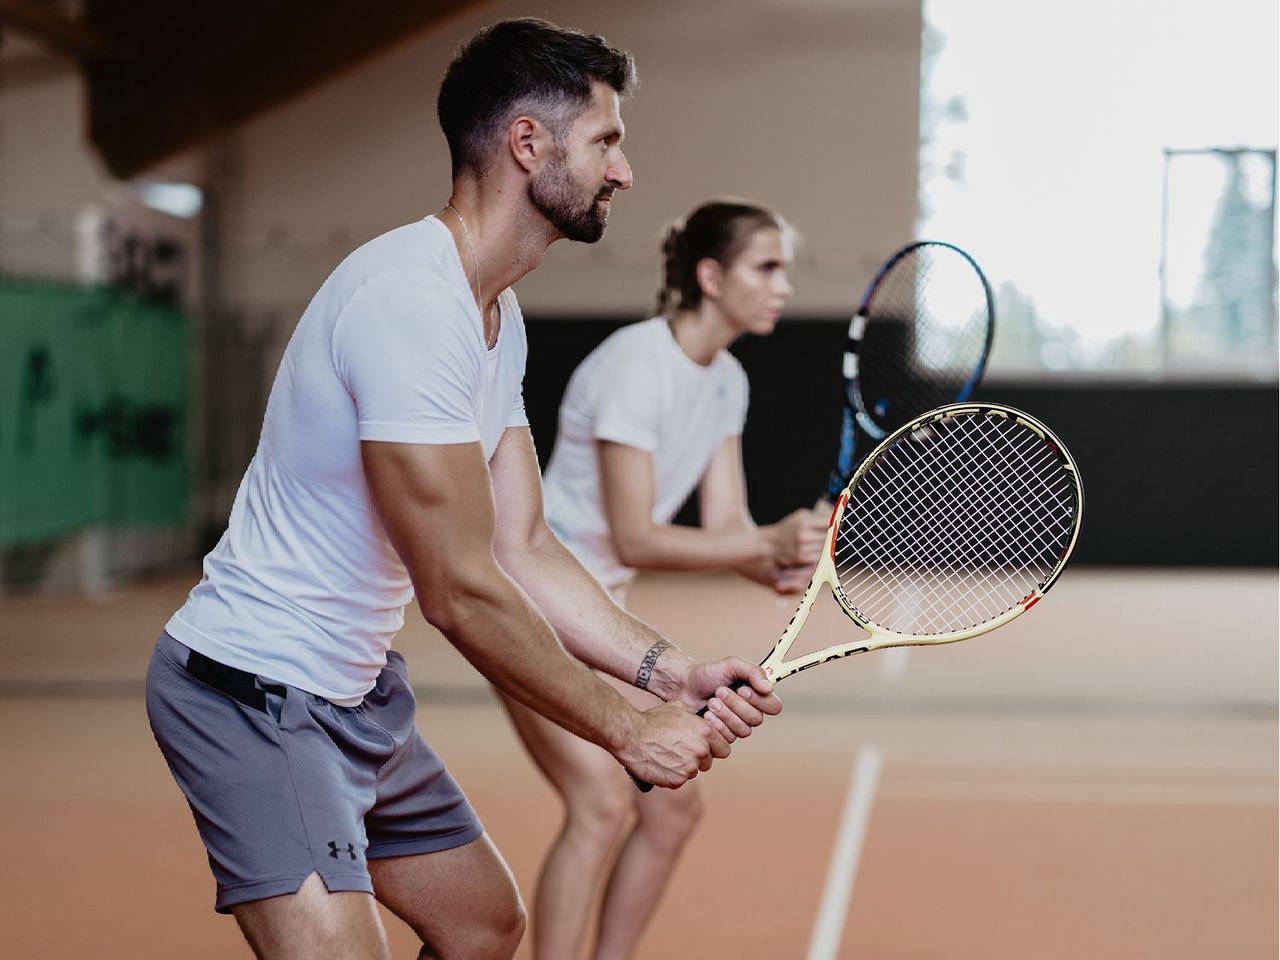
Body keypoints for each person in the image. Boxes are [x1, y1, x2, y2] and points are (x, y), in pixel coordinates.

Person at [145, 20, 781, 960]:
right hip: (254, 694)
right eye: (607, 140)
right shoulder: (409, 303)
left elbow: (525, 547)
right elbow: (459, 587)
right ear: (529, 144)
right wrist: (625, 730)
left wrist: (668, 671)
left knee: (484, 928)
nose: (626, 171)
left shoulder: (494, 315)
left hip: (354, 696)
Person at [497, 199, 829, 960]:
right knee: (601, 801)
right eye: (766, 267)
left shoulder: (726, 381)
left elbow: (723, 530)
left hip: (602, 613)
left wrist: (773, 559)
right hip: (536, 605)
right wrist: (760, 543)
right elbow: (636, 535)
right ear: (711, 276)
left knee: (673, 811)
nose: (783, 286)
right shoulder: (634, 365)